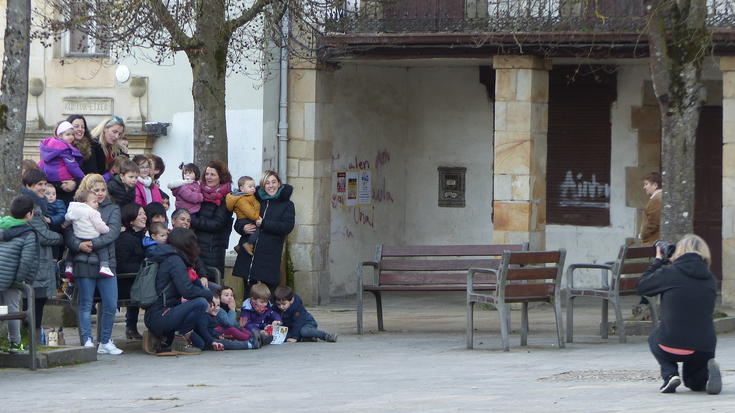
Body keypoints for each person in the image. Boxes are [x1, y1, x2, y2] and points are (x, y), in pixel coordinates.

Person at [636, 234, 721, 395]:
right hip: (704, 347)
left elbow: (641, 286)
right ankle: (708, 375)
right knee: (695, 385)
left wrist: (658, 261)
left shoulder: (669, 273)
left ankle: (670, 375)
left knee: (654, 336)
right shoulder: (711, 279)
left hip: (670, 343)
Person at [64, 174, 122, 354]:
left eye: (103, 190)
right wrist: (79, 245)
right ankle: (87, 339)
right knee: (86, 304)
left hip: (106, 261)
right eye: (96, 190)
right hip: (83, 261)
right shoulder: (77, 208)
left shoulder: (113, 209)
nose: (100, 194)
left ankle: (105, 341)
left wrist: (90, 244)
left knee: (111, 304)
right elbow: (68, 232)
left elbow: (112, 232)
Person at [143, 227, 214, 355]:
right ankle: (179, 341)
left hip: (159, 314)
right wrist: (209, 295)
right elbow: (187, 291)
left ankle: (162, 337)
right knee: (201, 303)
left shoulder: (168, 256)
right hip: (160, 315)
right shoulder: (174, 260)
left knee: (200, 344)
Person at [232, 170, 294, 299]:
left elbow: (287, 227)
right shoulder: (253, 199)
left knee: (268, 294)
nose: (271, 186)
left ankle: (268, 319)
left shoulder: (287, 205)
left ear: (279, 183)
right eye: (267, 183)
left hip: (269, 254)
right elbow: (239, 221)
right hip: (250, 253)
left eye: (273, 182)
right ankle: (247, 317)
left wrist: (264, 224)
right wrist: (243, 228)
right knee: (249, 293)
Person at [21, 169, 64, 342]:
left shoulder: (39, 204)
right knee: (32, 305)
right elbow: (42, 235)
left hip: (40, 262)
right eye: (39, 184)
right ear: (28, 185)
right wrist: (61, 236)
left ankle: (34, 341)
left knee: (37, 304)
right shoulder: (31, 206)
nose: (43, 188)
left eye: (45, 184)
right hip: (35, 264)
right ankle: (31, 342)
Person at [0, 195, 40, 354]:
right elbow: (27, 260)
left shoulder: (3, 225)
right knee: (12, 310)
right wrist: (20, 281)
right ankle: (15, 344)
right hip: (10, 279)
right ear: (29, 214)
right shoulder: (28, 232)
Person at [190, 161, 233, 277]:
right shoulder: (198, 193)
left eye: (213, 174)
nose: (209, 177)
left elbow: (217, 224)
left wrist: (191, 221)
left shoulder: (226, 199)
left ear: (221, 177)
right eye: (207, 174)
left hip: (212, 249)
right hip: (197, 245)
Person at [115, 203, 147, 340]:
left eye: (144, 213)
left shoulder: (144, 237)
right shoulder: (124, 239)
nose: (144, 216)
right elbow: (121, 266)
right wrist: (145, 267)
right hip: (125, 284)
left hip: (137, 281)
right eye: (139, 214)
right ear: (130, 219)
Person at [64, 190, 113, 278]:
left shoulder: (73, 211)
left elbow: (68, 220)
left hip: (78, 236)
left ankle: (69, 266)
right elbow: (99, 226)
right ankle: (104, 266)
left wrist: (63, 225)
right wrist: (106, 229)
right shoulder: (93, 212)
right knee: (103, 250)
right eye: (94, 202)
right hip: (92, 237)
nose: (97, 204)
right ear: (86, 203)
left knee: (72, 251)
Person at [191, 293, 262, 351]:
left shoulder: (210, 315)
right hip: (208, 341)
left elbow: (211, 330)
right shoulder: (203, 317)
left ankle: (255, 338)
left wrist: (218, 337)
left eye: (218, 305)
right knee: (227, 342)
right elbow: (203, 331)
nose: (216, 308)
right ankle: (249, 344)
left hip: (214, 337)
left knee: (233, 332)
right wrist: (213, 341)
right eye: (212, 305)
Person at [38, 121, 85, 206]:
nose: (71, 137)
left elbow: (41, 163)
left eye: (72, 134)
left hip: (50, 178)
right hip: (63, 179)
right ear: (60, 135)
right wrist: (82, 178)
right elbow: (72, 165)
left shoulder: (49, 146)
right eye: (68, 135)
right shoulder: (64, 148)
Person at [226, 175, 260, 256]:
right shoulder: (242, 199)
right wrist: (256, 217)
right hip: (245, 219)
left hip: (245, 219)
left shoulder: (249, 196)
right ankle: (249, 244)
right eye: (250, 186)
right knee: (256, 230)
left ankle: (239, 246)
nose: (253, 188)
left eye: (254, 186)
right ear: (242, 188)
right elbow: (248, 211)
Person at [44, 184, 67, 262]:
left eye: (53, 194)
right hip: (45, 228)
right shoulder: (42, 204)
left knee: (55, 246)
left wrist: (51, 220)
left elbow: (61, 215)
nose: (51, 196)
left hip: (55, 229)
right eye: (48, 194)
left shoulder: (59, 204)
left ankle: (55, 261)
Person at [639, 172, 662, 246]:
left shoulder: (656, 200)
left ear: (655, 185)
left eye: (646, 184)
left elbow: (652, 223)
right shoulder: (658, 198)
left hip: (653, 242)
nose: (644, 187)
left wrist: (642, 235)